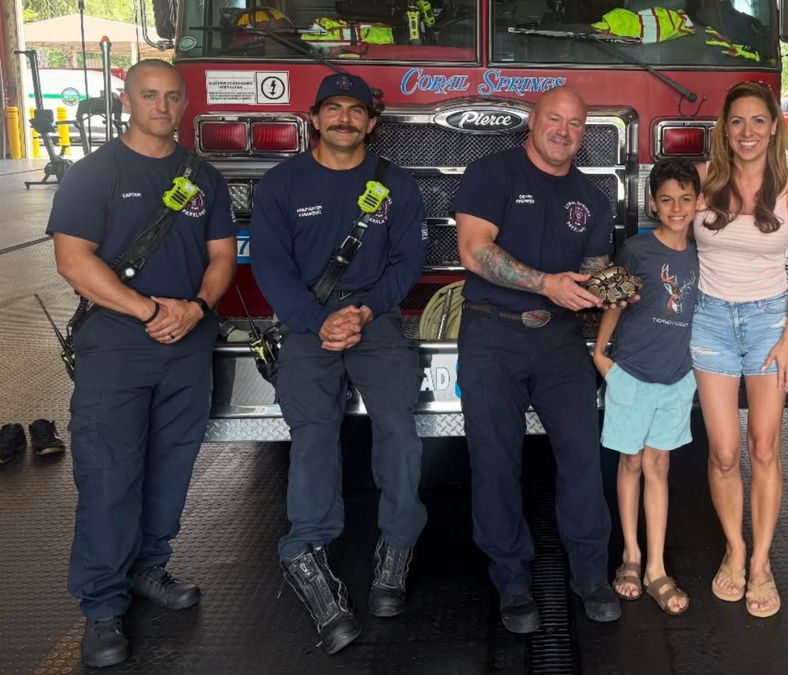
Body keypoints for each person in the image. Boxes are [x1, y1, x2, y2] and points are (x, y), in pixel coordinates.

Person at [45, 59, 237, 668]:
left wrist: (199, 306)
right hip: (118, 342)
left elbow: (222, 255)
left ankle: (149, 568)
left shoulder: (204, 176)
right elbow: (74, 261)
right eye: (149, 96)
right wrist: (150, 310)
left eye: (173, 97)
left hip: (188, 340)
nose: (163, 106)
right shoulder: (93, 174)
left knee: (171, 463)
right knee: (108, 473)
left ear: (185, 104)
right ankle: (102, 606)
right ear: (126, 101)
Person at [250, 72, 428, 654]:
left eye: (356, 111)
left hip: (373, 322)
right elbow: (270, 268)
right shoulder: (280, 185)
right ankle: (309, 557)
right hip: (307, 326)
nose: (345, 119)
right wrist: (315, 319)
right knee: (313, 433)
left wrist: (365, 312)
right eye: (334, 109)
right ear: (315, 117)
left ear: (372, 123)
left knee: (400, 429)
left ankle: (395, 552)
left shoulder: (395, 185)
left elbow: (407, 263)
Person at [453, 86, 622, 634]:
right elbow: (475, 250)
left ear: (584, 131)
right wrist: (545, 283)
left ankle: (590, 573)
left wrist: (616, 289)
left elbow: (595, 271)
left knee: (581, 457)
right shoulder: (491, 173)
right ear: (533, 120)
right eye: (555, 119)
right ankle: (512, 581)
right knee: (496, 462)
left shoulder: (594, 199)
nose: (564, 132)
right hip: (491, 336)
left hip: (561, 343)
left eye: (575, 124)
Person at [693, 81, 788, 618]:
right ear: (725, 128)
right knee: (723, 452)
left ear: (775, 127)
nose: (748, 132)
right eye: (737, 122)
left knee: (764, 447)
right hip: (710, 321)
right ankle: (735, 549)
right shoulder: (699, 182)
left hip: (770, 321)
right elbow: (666, 248)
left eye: (758, 121)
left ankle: (762, 561)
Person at [594, 158, 701, 616]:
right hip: (632, 373)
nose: (676, 208)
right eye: (667, 200)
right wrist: (601, 357)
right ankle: (631, 557)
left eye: (685, 198)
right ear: (653, 204)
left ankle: (657, 567)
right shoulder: (638, 251)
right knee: (631, 463)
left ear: (698, 202)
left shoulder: (703, 251)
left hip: (677, 378)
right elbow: (614, 303)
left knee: (659, 466)